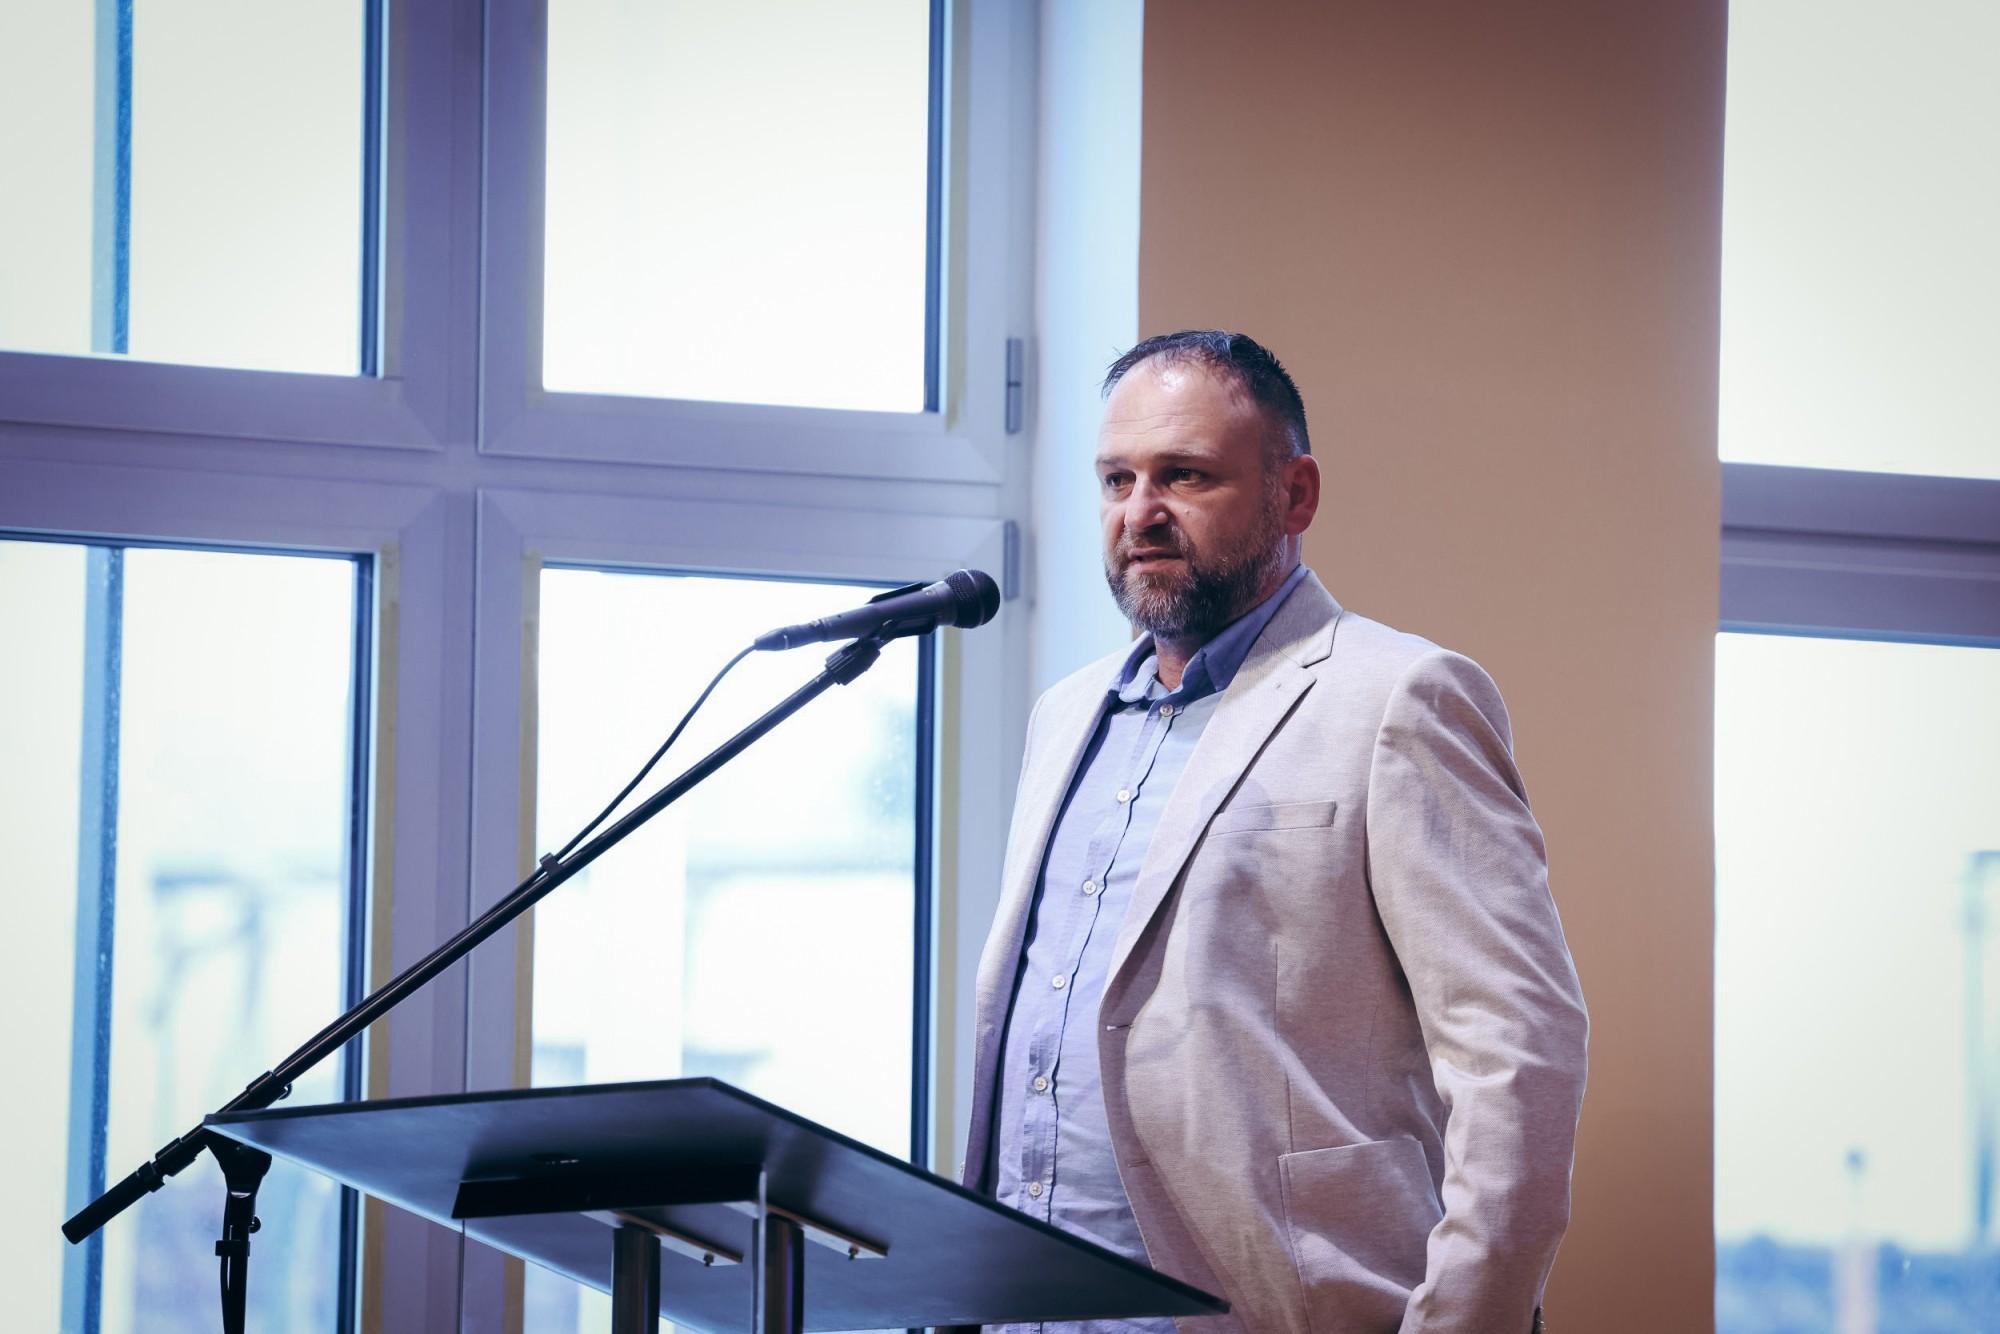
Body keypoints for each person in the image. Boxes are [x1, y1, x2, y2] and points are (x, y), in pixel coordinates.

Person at [960, 331, 1588, 1334]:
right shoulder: (1064, 715)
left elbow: (1517, 1057)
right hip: (1021, 1308)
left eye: (1184, 475)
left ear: (1294, 495)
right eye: (1117, 478)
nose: (1139, 512)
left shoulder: (1397, 697)